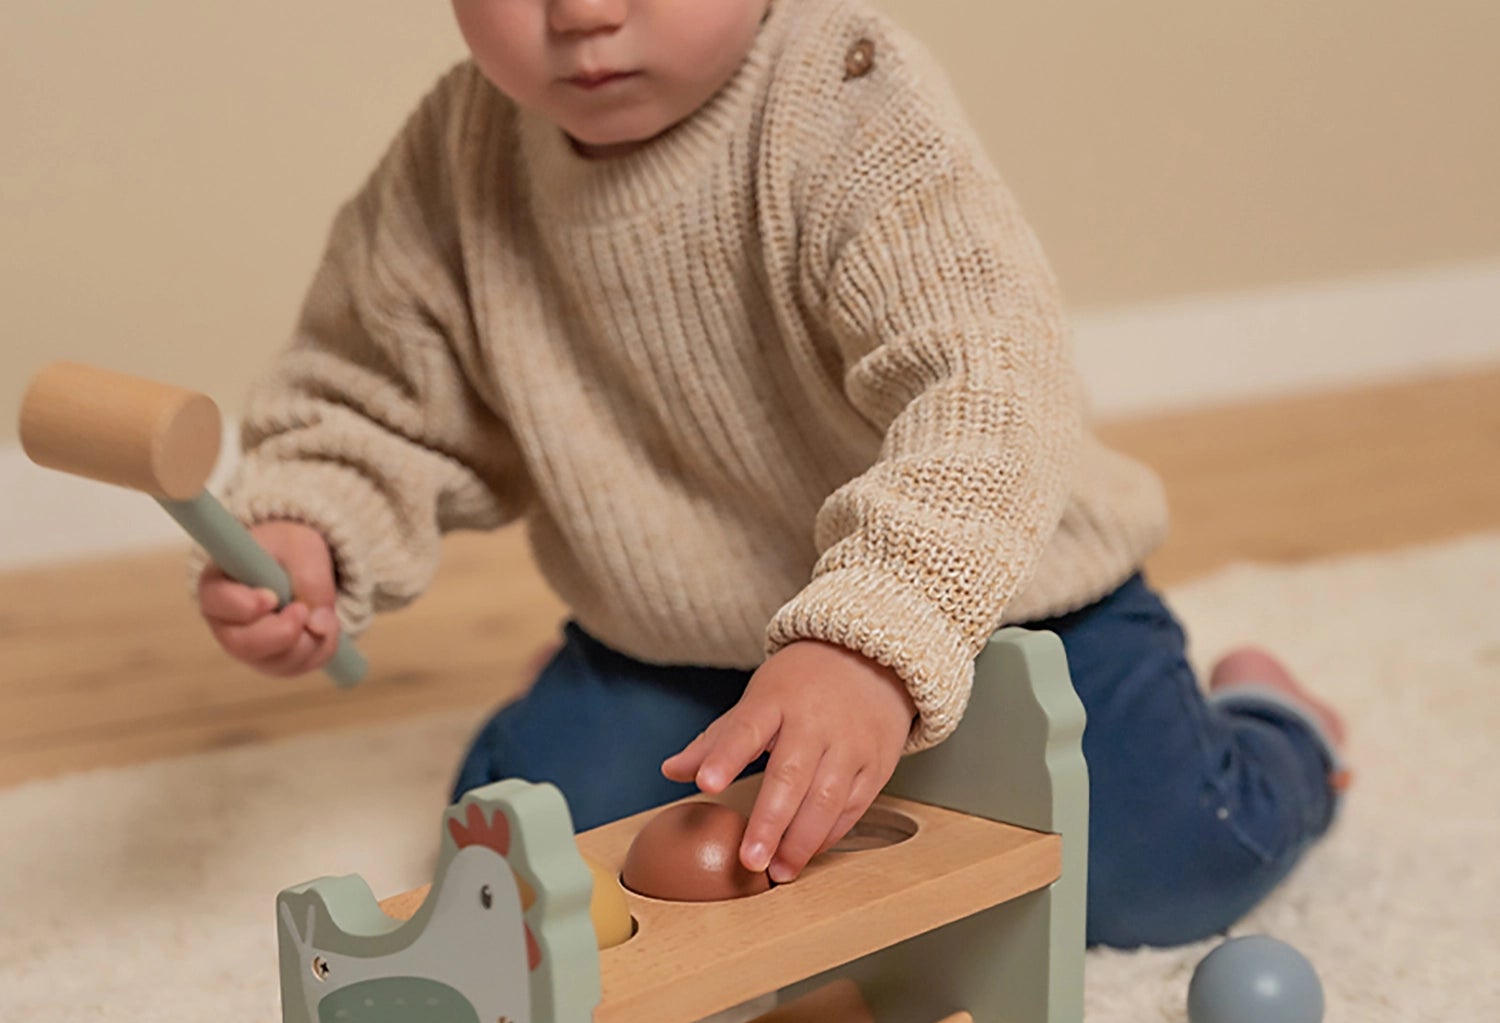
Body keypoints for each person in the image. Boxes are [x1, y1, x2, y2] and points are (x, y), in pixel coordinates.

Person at [195, 0, 1348, 948]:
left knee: (1170, 863)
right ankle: (591, 678)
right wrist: (313, 528)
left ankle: (1274, 718)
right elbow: (371, 395)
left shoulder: (847, 97)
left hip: (991, 597)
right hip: (688, 636)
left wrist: (868, 641)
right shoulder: (456, 158)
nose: (585, 14)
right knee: (533, 860)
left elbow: (989, 388)